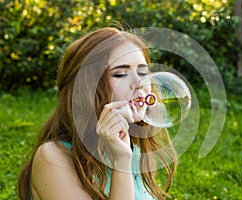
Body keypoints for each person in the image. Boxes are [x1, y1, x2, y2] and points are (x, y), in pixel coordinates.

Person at [17, 27, 177, 200]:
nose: (139, 83)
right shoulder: (53, 157)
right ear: (87, 88)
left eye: (143, 72)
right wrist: (121, 163)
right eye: (120, 74)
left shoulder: (132, 149)